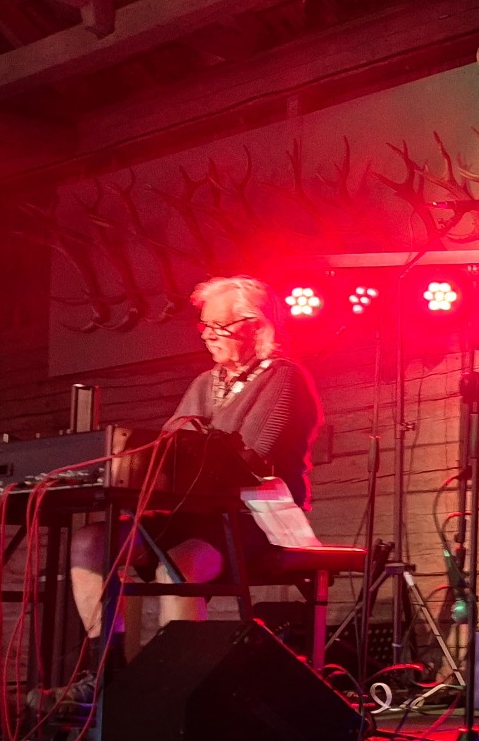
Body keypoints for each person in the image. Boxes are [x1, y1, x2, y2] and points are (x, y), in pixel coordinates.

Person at [47, 275, 323, 707]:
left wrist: (192, 449)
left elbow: (250, 461)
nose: (208, 336)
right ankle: (107, 673)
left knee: (177, 566)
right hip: (192, 516)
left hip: (254, 520)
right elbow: (168, 453)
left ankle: (176, 687)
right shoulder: (204, 383)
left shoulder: (285, 378)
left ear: (255, 325)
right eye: (204, 326)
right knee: (92, 542)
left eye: (219, 326)